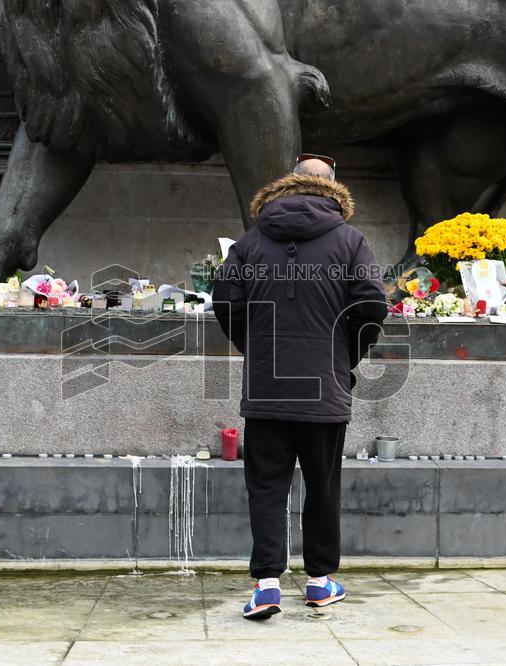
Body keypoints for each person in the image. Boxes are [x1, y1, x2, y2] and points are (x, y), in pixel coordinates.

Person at [213, 155, 388, 620]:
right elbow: (371, 306)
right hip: (325, 389)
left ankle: (267, 586)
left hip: (267, 386)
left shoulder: (251, 242)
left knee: (266, 487)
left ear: (289, 183)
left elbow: (224, 300)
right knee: (323, 487)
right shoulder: (351, 242)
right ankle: (319, 583)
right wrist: (345, 358)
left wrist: (254, 348)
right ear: (333, 187)